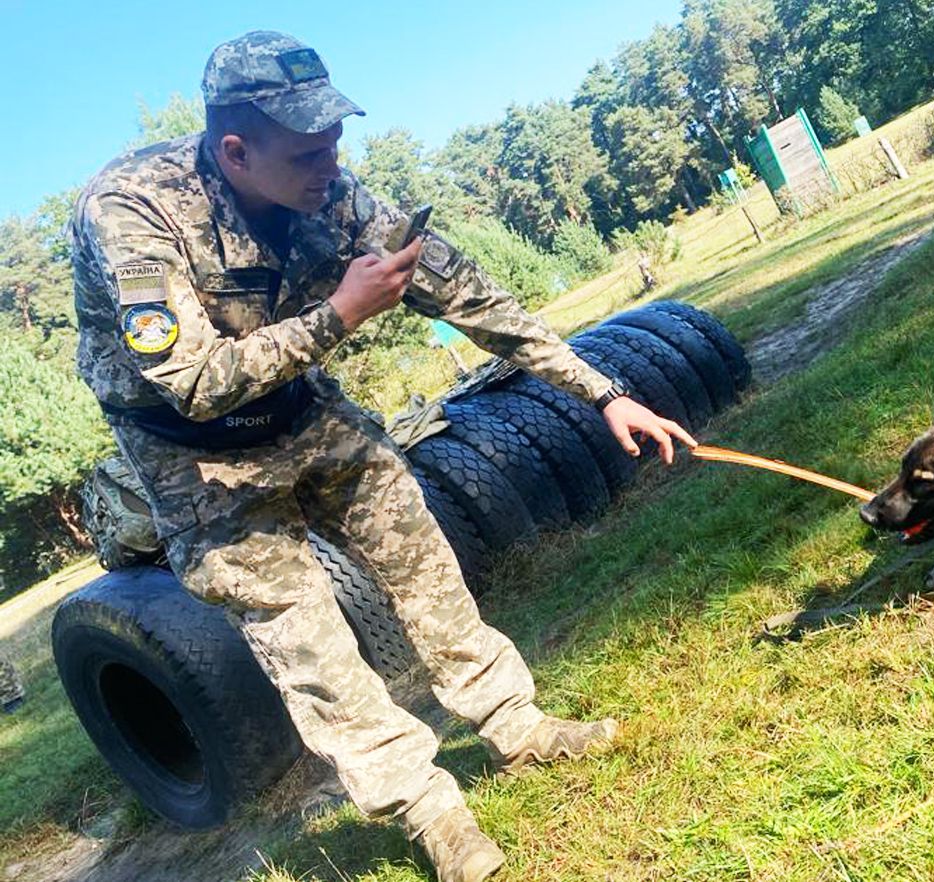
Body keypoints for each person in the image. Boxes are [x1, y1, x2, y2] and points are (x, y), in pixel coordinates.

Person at [70, 31, 695, 882]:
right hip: (195, 454)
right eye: (308, 151)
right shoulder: (132, 211)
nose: (331, 165)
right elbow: (194, 382)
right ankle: (431, 814)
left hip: (300, 408)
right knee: (308, 642)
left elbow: (468, 293)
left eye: (335, 142)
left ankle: (517, 726)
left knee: (423, 563)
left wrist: (601, 390)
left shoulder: (332, 193)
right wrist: (341, 314)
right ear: (235, 150)